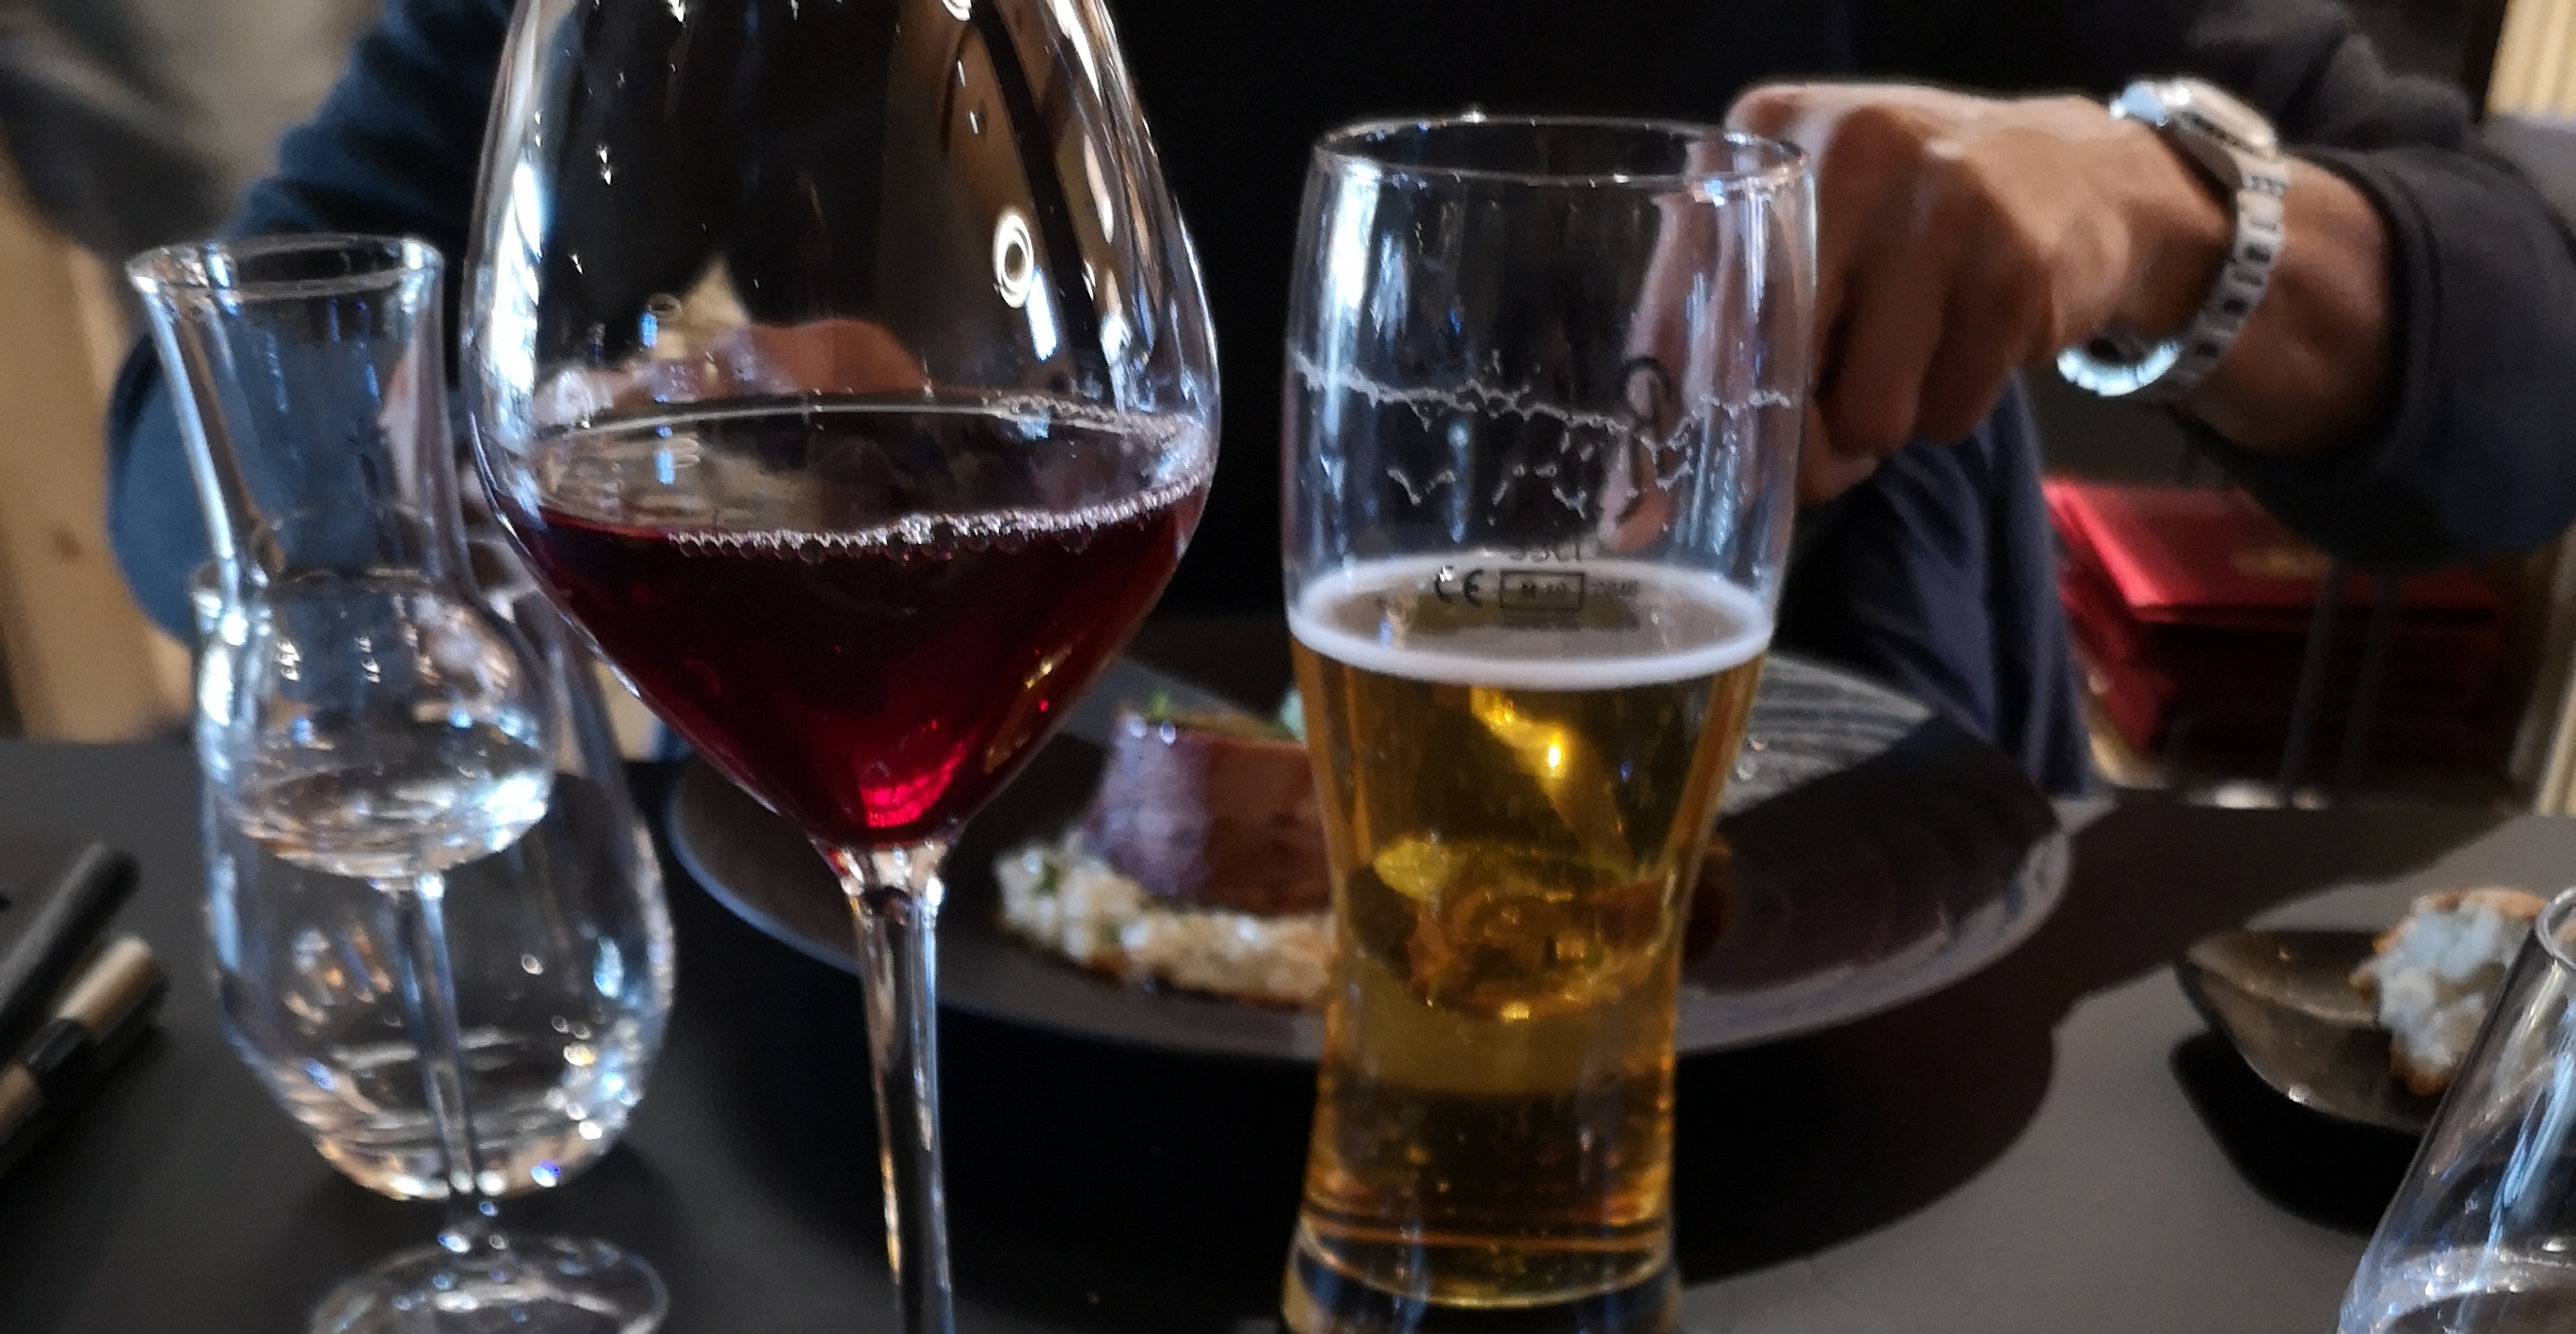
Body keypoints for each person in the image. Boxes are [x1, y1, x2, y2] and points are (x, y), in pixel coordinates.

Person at [105, 0, 2576, 793]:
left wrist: (2159, 212)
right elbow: (196, 438)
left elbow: (2527, 335)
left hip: (1806, 979)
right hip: (947, 1033)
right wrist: (594, 438)